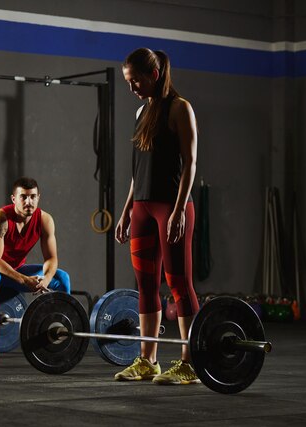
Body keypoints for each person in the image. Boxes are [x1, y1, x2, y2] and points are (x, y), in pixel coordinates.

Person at [115, 48, 200, 385]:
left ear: (154, 74)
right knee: (146, 285)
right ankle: (147, 360)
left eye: (135, 80)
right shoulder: (141, 111)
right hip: (142, 208)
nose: (132, 87)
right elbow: (138, 171)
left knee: (178, 283)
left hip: (170, 207)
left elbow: (191, 162)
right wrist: (125, 211)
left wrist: (179, 209)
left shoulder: (181, 109)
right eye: (128, 81)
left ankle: (189, 363)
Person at [0, 177, 70, 358]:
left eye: (32, 197)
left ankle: (59, 327)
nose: (28, 202)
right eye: (23, 197)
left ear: (38, 197)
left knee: (62, 278)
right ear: (13, 199)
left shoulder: (45, 220)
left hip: (14, 271)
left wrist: (44, 280)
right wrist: (25, 280)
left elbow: (51, 258)